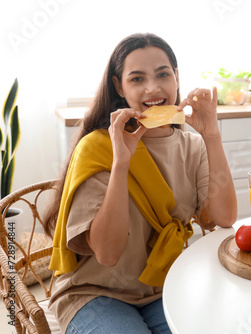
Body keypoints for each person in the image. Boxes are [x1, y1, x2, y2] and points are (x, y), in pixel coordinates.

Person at [43, 33, 238, 334]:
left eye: (163, 74)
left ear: (176, 78)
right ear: (119, 86)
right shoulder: (98, 148)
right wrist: (122, 162)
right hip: (96, 293)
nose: (153, 88)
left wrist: (212, 136)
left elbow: (225, 217)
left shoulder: (193, 145)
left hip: (163, 284)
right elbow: (107, 254)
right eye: (137, 79)